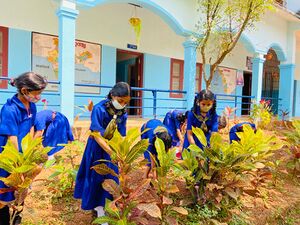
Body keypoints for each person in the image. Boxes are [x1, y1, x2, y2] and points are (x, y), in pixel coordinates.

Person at [74, 82, 130, 219]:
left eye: (125, 102)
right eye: (120, 101)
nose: (122, 104)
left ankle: (108, 206)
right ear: (112, 95)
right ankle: (98, 209)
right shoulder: (99, 109)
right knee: (96, 177)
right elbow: (96, 134)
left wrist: (122, 152)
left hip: (112, 149)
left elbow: (122, 135)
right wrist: (110, 152)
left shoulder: (123, 112)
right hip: (97, 148)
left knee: (110, 178)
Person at [0, 72, 47, 225]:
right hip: (9, 156)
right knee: (4, 193)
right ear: (25, 90)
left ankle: (17, 217)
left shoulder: (32, 106)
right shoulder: (9, 110)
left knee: (22, 189)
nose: (39, 97)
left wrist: (31, 152)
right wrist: (19, 164)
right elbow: (12, 138)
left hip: (23, 156)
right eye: (37, 93)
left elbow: (32, 128)